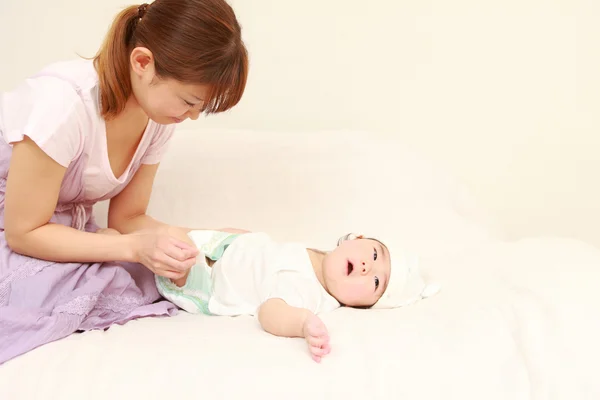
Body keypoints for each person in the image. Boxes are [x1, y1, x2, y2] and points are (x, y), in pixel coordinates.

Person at [0, 0, 249, 365]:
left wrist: (209, 239)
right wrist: (132, 248)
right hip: (17, 229)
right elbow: (22, 232)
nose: (192, 116)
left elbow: (128, 219)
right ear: (143, 62)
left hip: (54, 230)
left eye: (201, 107)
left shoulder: (158, 118)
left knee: (157, 273)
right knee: (101, 277)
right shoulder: (63, 104)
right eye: (189, 101)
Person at [150, 229, 441, 363]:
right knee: (163, 234)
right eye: (375, 254)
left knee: (171, 253)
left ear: (363, 305)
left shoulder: (311, 294)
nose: (367, 266)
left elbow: (270, 312)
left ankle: (126, 249)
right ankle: (122, 239)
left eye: (376, 281)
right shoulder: (319, 255)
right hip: (221, 244)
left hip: (208, 279)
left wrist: (302, 323)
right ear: (358, 239)